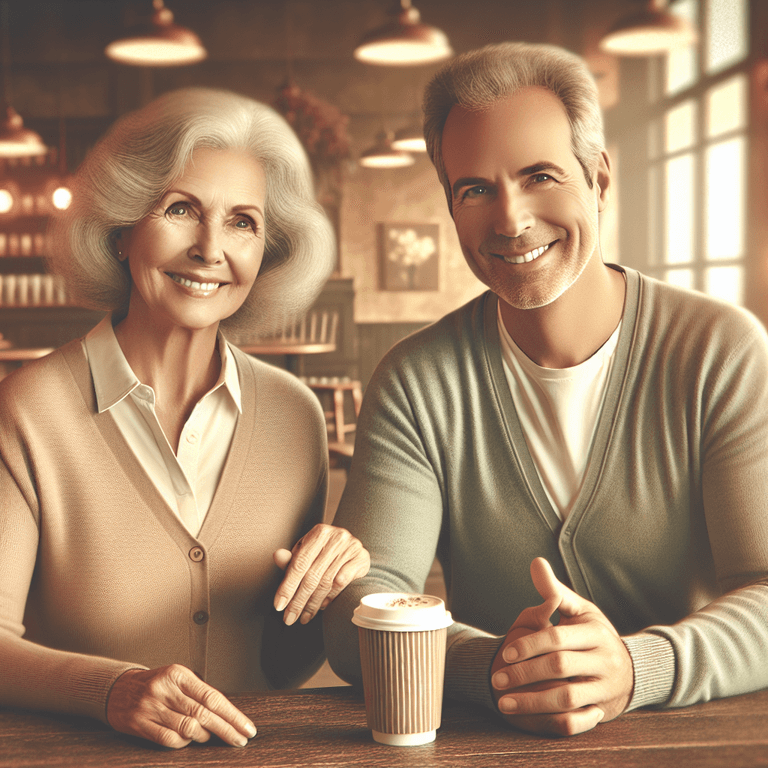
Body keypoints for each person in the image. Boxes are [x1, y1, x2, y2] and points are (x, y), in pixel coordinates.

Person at [323, 42, 768, 737]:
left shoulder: (720, 351)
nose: (509, 219)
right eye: (474, 189)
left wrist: (634, 665)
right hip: (493, 745)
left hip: (699, 743)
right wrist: (501, 666)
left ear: (599, 177)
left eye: (539, 175)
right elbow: (360, 603)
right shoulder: (415, 380)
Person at [0, 87, 370, 749]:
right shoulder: (30, 411)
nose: (210, 248)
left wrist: (337, 582)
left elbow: (282, 664)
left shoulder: (295, 417)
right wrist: (111, 691)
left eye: (243, 222)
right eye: (181, 209)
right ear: (120, 230)